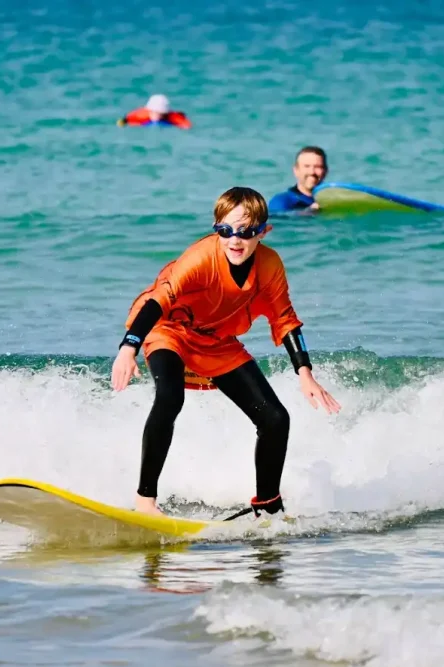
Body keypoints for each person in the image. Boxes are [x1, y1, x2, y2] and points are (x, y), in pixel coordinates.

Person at [111, 186, 341, 518]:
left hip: (216, 340)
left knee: (276, 419)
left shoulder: (270, 265)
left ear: (263, 232)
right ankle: (145, 501)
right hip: (169, 328)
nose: (235, 240)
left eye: (245, 232)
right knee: (170, 397)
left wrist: (305, 374)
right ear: (216, 228)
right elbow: (159, 300)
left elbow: (285, 318)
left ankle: (268, 508)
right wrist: (128, 348)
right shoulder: (201, 258)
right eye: (225, 230)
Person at [267, 146, 328, 213]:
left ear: (326, 171)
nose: (312, 172)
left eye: (318, 167)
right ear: (296, 170)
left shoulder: (331, 201)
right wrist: (308, 212)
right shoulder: (281, 202)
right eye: (307, 166)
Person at [117, 94, 192, 129]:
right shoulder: (141, 115)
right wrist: (123, 122)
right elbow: (125, 120)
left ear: (165, 113)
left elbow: (187, 125)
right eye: (155, 112)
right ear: (149, 111)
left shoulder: (171, 117)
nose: (157, 116)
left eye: (161, 114)